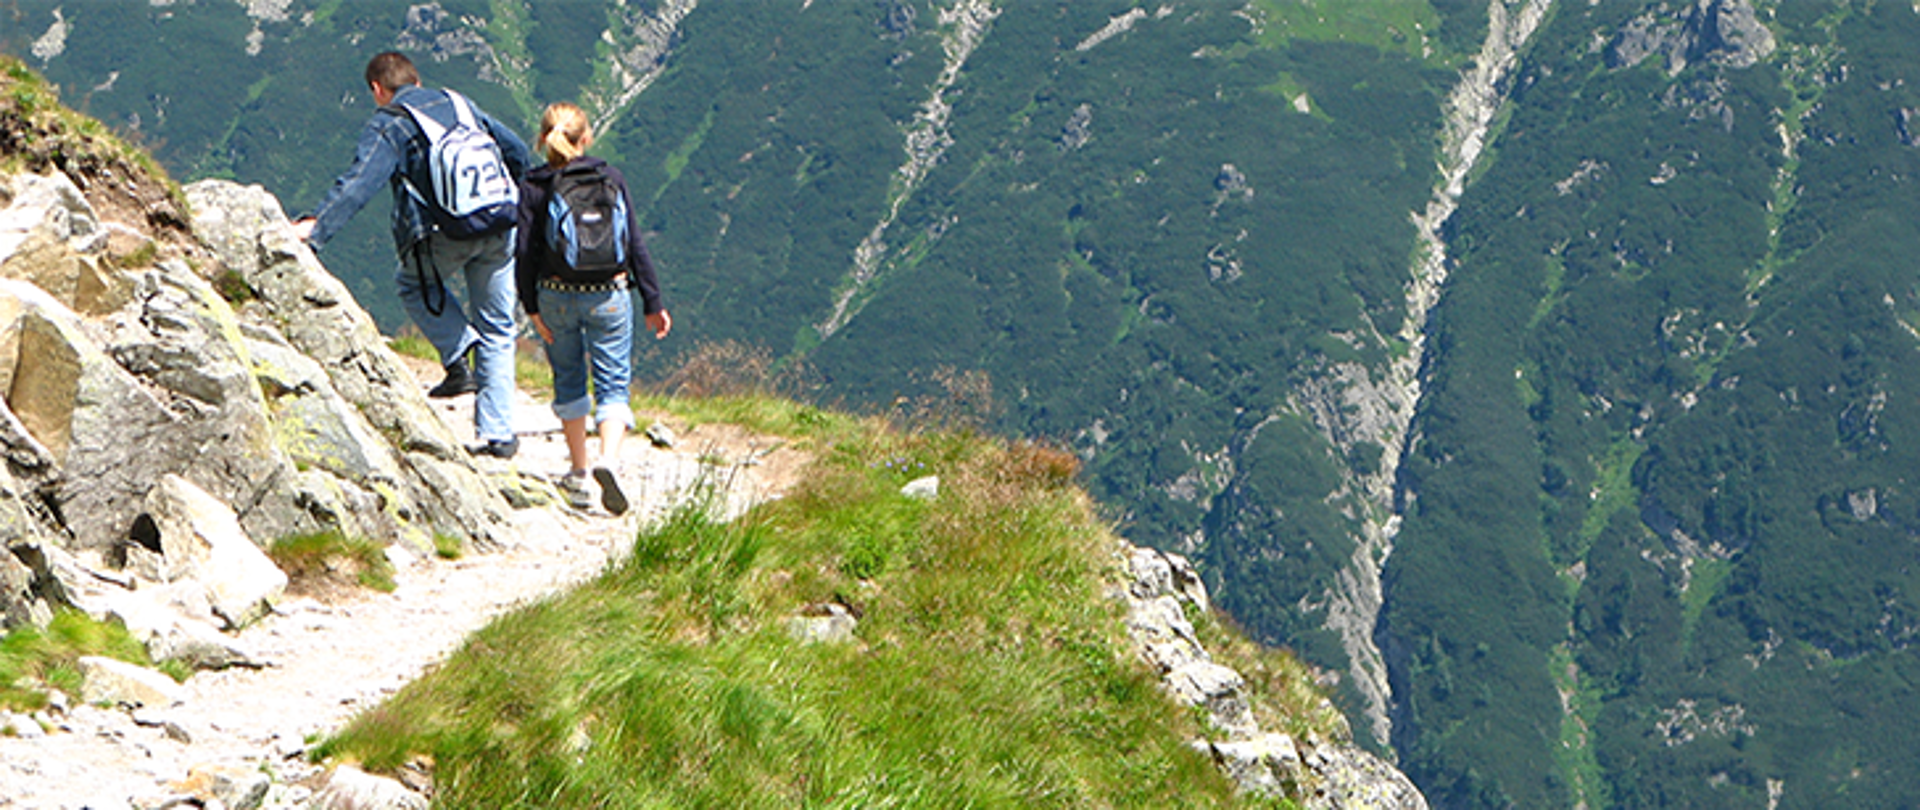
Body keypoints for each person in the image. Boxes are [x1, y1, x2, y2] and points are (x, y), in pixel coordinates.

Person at [290, 51, 532, 459]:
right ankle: (500, 435)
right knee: (499, 326)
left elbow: (359, 183)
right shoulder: (460, 103)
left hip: (449, 232)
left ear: (377, 89)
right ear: (417, 81)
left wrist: (315, 230)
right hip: (500, 225)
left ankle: (458, 355)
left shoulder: (391, 122)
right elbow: (519, 152)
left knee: (412, 284)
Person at [516, 101, 671, 513]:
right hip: (609, 294)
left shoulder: (534, 184)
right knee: (613, 382)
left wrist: (530, 306)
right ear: (586, 138)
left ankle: (580, 474)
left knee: (568, 377)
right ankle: (609, 460)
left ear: (542, 138)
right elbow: (634, 242)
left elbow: (524, 251)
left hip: (554, 293)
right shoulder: (611, 178)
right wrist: (652, 300)